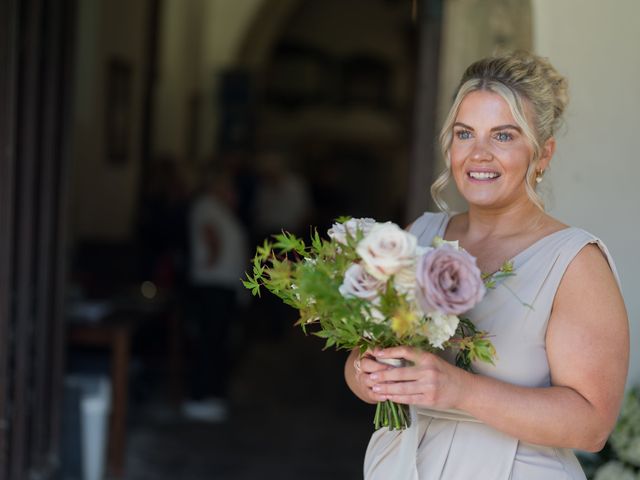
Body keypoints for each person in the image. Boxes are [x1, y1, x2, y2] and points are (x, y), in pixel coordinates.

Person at [344, 51, 629, 479]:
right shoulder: (416, 236)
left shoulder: (573, 263)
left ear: (543, 154)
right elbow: (358, 361)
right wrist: (368, 373)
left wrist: (459, 390)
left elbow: (592, 427)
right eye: (465, 133)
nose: (478, 154)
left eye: (503, 136)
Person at [182, 168, 248, 422]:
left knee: (218, 341)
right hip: (213, 284)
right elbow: (210, 235)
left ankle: (212, 394)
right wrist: (213, 257)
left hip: (223, 284)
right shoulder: (206, 206)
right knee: (209, 341)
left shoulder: (219, 208)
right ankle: (200, 396)